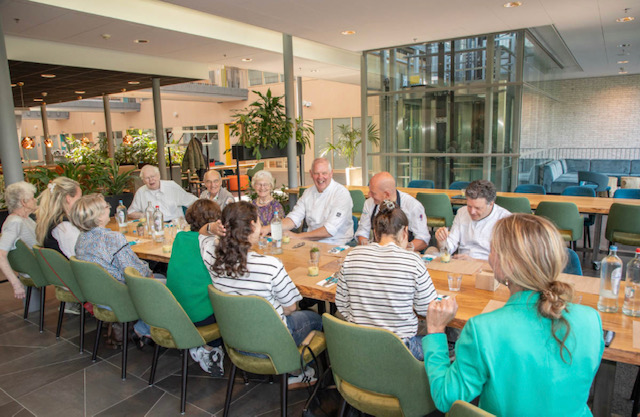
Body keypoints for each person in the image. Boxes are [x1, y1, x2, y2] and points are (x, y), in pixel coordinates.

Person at [424, 214, 604, 416]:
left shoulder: (482, 329)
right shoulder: (592, 319)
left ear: (506, 264)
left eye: (491, 249)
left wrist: (436, 332)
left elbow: (445, 398)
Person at [204, 201, 322, 388]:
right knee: (318, 319)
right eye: (259, 222)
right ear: (252, 226)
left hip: (235, 340)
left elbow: (202, 234)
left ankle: (293, 367)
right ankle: (296, 368)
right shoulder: (270, 265)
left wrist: (212, 227)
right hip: (272, 341)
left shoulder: (212, 257)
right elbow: (290, 308)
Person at [336, 200, 437, 360]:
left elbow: (342, 304)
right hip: (401, 353)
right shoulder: (413, 261)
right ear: (405, 232)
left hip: (359, 347)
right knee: (444, 344)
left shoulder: (352, 256)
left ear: (375, 232)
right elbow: (428, 310)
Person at [70, 194, 155, 347]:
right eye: (106, 206)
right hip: (119, 299)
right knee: (167, 285)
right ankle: (143, 329)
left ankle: (144, 327)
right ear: (98, 217)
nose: (109, 207)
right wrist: (149, 271)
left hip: (98, 297)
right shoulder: (112, 238)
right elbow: (135, 272)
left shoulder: (81, 239)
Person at [167, 199, 225, 375]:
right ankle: (209, 348)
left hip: (176, 311)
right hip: (200, 315)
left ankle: (205, 345)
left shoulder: (179, 237)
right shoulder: (211, 246)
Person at [262, 158, 353, 245]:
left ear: (331, 173)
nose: (320, 177)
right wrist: (268, 228)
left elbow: (329, 231)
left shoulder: (341, 194)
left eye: (324, 173)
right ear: (310, 173)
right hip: (311, 242)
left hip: (337, 243)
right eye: (316, 173)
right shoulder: (308, 193)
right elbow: (294, 218)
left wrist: (297, 236)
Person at [433, 179, 510, 260]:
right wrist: (442, 241)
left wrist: (474, 261)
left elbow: (507, 261)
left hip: (489, 266)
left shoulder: (505, 219)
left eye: (478, 208)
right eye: (469, 206)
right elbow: (448, 250)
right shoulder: (462, 212)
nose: (472, 212)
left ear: (491, 204)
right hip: (462, 263)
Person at [355, 172, 430, 251]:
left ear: (387, 194)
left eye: (373, 193)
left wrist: (399, 252)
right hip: (377, 253)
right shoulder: (369, 203)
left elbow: (422, 239)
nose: (369, 195)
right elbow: (362, 231)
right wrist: (366, 245)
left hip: (403, 255)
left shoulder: (413, 206)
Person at [0, 181, 37, 299]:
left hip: (39, 265)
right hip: (36, 270)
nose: (35, 200)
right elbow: (0, 255)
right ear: (23, 202)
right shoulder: (15, 222)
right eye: (32, 198)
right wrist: (16, 284)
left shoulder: (25, 218)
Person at [128, 165, 197, 221]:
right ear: (143, 180)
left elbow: (194, 201)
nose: (151, 180)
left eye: (153, 176)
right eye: (147, 178)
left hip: (174, 224)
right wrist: (144, 215)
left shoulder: (172, 187)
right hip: (153, 226)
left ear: (158, 176)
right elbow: (130, 212)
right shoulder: (141, 192)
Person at [35, 176, 82, 259]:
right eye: (79, 198)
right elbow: (79, 257)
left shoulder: (50, 220)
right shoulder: (64, 227)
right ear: (68, 199)